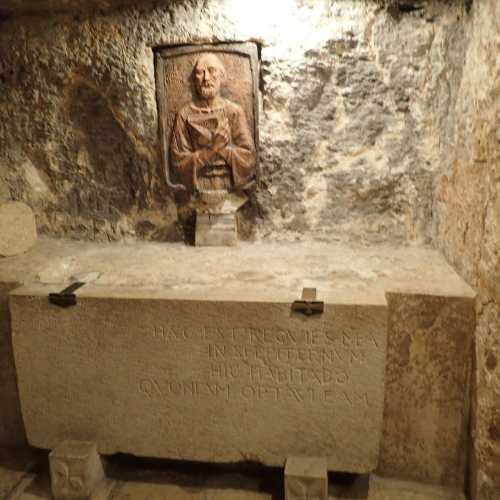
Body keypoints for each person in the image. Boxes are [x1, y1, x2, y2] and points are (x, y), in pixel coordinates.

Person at [170, 53, 256, 194]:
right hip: (199, 184)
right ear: (194, 80)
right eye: (200, 73)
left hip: (227, 182)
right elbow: (178, 162)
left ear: (222, 76)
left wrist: (222, 149)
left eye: (211, 70)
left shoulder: (234, 112)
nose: (206, 78)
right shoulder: (184, 115)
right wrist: (213, 149)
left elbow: (249, 158)